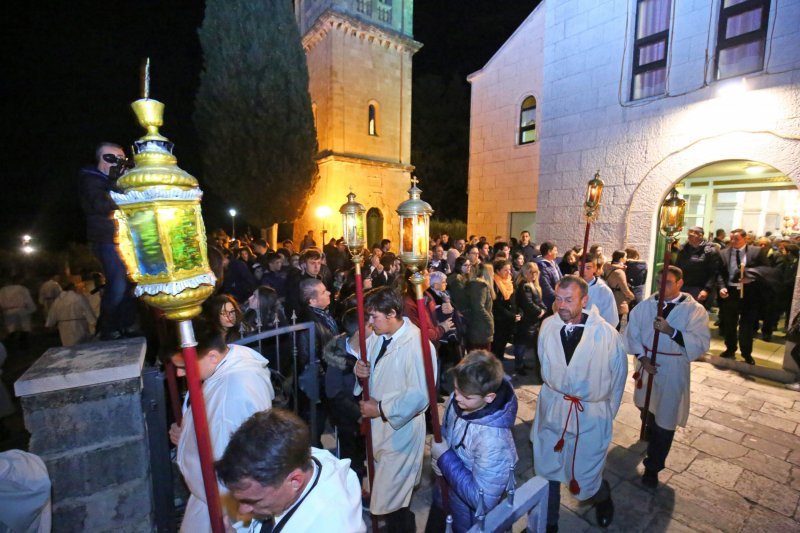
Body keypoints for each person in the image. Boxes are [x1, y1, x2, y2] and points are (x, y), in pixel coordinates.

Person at [531, 276, 627, 531]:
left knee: (584, 477)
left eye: (568, 299)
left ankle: (601, 495)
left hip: (589, 414)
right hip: (554, 409)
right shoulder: (548, 327)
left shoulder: (606, 335)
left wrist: (605, 416)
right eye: (558, 298)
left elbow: (618, 381)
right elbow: (544, 364)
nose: (561, 305)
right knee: (547, 469)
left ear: (584, 300)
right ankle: (549, 523)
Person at [170, 320, 274, 532]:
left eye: (183, 366)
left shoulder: (233, 393)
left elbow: (231, 467)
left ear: (212, 356)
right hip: (211, 498)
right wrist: (187, 435)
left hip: (225, 505)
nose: (179, 374)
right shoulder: (228, 366)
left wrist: (235, 522)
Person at [354, 287, 436, 532]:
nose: (370, 322)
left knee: (391, 500)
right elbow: (370, 370)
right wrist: (360, 373)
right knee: (389, 496)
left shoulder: (418, 345)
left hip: (402, 432)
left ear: (392, 314)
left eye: (374, 317)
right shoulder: (377, 336)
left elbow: (420, 396)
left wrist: (379, 408)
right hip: (378, 427)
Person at [625, 266, 710, 488]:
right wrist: (643, 358)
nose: (662, 287)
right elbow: (632, 333)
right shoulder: (646, 306)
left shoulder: (695, 311)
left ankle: (653, 467)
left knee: (666, 417)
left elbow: (700, 342)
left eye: (668, 283)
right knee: (647, 408)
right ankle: (649, 430)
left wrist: (671, 332)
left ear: (680, 283)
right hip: (647, 364)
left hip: (673, 367)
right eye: (659, 282)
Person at [215, 409, 365, 533]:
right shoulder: (294, 458)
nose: (242, 510)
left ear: (295, 481)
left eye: (252, 501)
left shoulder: (330, 525)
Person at [427, 350, 518, 533]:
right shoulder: (460, 398)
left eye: (466, 396)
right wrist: (438, 457)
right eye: (456, 389)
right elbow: (447, 432)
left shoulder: (494, 440)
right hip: (445, 497)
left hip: (470, 521)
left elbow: (481, 500)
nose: (457, 397)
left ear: (489, 397)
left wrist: (445, 458)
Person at [77, 142, 137, 340]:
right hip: (106, 239)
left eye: (121, 158)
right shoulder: (90, 179)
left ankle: (126, 325)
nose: (118, 163)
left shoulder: (116, 180)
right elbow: (101, 204)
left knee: (129, 284)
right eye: (112, 158)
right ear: (101, 159)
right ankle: (108, 328)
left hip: (122, 238)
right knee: (117, 284)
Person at [322, 308, 366, 486]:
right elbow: (334, 392)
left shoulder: (373, 346)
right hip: (348, 419)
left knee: (364, 454)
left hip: (368, 414)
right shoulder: (337, 355)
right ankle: (352, 489)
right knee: (350, 459)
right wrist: (358, 413)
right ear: (358, 333)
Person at [715, 228, 772, 365]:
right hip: (730, 292)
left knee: (747, 325)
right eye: (732, 239)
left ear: (745, 239)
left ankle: (746, 353)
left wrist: (751, 278)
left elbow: (766, 270)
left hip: (749, 293)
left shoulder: (756, 252)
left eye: (737, 239)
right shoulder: (723, 253)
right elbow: (719, 273)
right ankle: (730, 349)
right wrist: (722, 287)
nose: (733, 242)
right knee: (729, 323)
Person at [513, 262, 547, 378]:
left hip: (531, 320)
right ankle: (518, 366)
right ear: (524, 272)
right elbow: (528, 304)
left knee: (523, 344)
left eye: (535, 272)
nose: (533, 275)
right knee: (521, 345)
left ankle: (521, 364)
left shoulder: (531, 284)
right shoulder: (524, 285)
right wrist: (540, 311)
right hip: (526, 320)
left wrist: (543, 309)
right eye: (530, 272)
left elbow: (538, 301)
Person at [675, 226, 721, 309]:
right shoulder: (683, 249)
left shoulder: (710, 250)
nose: (690, 234)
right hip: (682, 286)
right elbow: (677, 267)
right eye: (689, 232)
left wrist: (706, 290)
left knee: (695, 314)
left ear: (701, 235)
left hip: (699, 288)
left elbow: (714, 273)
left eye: (694, 232)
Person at [45, 282, 97, 346]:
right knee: (81, 345)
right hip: (79, 326)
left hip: (64, 328)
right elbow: (87, 310)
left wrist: (50, 323)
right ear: (72, 288)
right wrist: (93, 322)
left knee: (67, 345)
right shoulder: (79, 298)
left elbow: (52, 314)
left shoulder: (57, 301)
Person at [580, 253, 619, 328]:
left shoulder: (603, 290)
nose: (583, 271)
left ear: (594, 269)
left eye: (588, 268)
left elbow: (611, 320)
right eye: (580, 267)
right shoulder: (571, 285)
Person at [491, 259, 519, 360]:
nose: (509, 272)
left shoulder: (510, 281)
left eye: (509, 270)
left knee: (503, 343)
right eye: (505, 270)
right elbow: (497, 304)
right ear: (498, 271)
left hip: (509, 318)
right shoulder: (495, 283)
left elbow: (513, 299)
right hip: (499, 319)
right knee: (497, 344)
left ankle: (500, 363)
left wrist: (517, 313)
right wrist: (511, 315)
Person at [464, 263, 494, 351]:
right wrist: (489, 321)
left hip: (478, 326)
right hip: (480, 327)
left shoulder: (476, 285)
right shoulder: (480, 286)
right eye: (492, 272)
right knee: (481, 357)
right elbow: (478, 307)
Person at [0, 277, 36, 349]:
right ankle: (23, 345)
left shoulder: (2, 290)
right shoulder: (22, 289)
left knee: (11, 328)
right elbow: (27, 299)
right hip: (21, 309)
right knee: (24, 327)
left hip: (8, 311)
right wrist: (32, 308)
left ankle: (11, 346)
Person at [603, 250, 635, 330]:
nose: (626, 259)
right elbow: (625, 289)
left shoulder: (607, 267)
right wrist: (632, 297)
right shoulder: (620, 272)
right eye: (625, 257)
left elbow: (607, 264)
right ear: (621, 259)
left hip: (608, 297)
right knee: (616, 324)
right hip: (618, 300)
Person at [536, 241, 562, 312]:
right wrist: (557, 298)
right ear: (549, 252)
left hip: (557, 299)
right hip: (548, 302)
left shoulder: (554, 263)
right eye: (555, 250)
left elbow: (561, 280)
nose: (557, 252)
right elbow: (546, 287)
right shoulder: (542, 266)